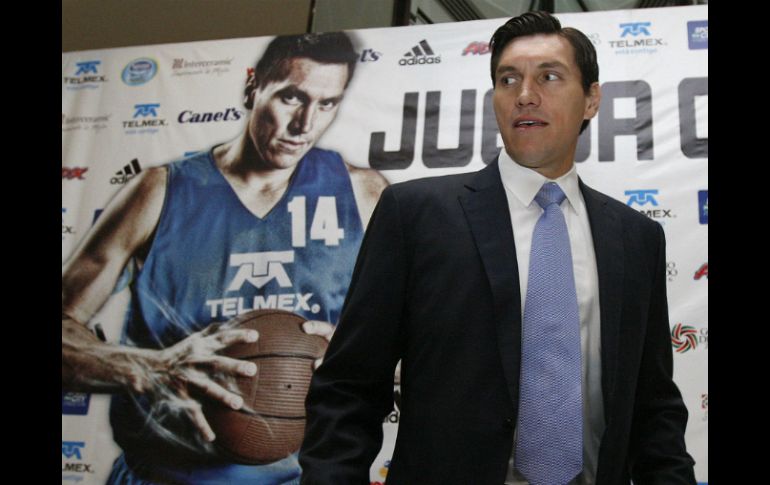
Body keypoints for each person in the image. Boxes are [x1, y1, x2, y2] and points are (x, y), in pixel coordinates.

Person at [299, 12, 696, 485]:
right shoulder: (416, 215)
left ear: (592, 99)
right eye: (508, 79)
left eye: (549, 76)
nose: (525, 94)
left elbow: (654, 408)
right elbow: (348, 388)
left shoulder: (636, 238)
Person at [61, 32, 388, 485]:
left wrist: (363, 357)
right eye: (292, 97)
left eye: (327, 104)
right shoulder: (161, 191)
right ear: (253, 87)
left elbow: (425, 342)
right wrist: (151, 368)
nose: (305, 124)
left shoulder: (363, 194)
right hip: (162, 475)